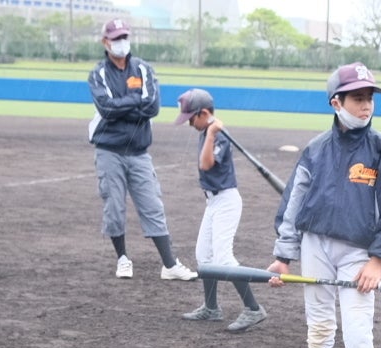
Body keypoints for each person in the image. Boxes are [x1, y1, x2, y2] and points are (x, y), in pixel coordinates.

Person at [269, 63, 381, 348]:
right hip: (315, 245)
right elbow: (294, 203)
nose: (366, 106)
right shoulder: (315, 149)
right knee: (319, 327)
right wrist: (283, 257)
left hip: (359, 252)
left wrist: (378, 260)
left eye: (369, 98)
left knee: (358, 332)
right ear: (336, 102)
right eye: (357, 98)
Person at [88, 18, 195, 282]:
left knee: (152, 205)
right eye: (116, 38)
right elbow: (106, 109)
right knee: (114, 206)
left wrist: (123, 104)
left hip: (138, 151)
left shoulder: (143, 69)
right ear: (105, 42)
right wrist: (135, 101)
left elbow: (152, 107)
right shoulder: (98, 73)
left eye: (124, 37)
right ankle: (123, 258)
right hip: (109, 150)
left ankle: (169, 264)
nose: (121, 42)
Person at [176, 88, 266, 332]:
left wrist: (212, 134)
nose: (189, 123)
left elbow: (206, 164)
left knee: (224, 258)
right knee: (203, 256)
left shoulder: (219, 136)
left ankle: (253, 308)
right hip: (213, 202)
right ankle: (211, 307)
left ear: (204, 113)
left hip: (226, 201)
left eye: (191, 118)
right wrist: (209, 133)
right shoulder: (208, 131)